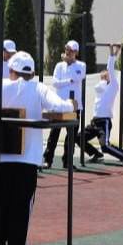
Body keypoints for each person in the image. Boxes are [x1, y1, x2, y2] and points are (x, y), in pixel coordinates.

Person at [0, 51, 73, 245]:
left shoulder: (0, 86)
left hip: (0, 159)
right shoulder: (38, 88)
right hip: (27, 162)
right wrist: (70, 103)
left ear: (12, 71)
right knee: (20, 214)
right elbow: (61, 107)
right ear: (33, 73)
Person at [82, 44, 123, 165]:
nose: (102, 77)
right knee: (79, 138)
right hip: (94, 122)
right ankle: (96, 154)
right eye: (101, 76)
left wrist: (113, 50)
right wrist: (115, 51)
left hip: (104, 121)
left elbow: (110, 66)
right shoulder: (100, 88)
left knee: (105, 146)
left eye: (105, 76)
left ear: (110, 77)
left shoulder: (113, 86)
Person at [43, 40, 86, 169]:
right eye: (67, 49)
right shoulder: (59, 65)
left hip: (74, 106)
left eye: (71, 50)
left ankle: (67, 162)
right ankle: (48, 160)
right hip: (59, 105)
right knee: (54, 133)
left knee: (71, 136)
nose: (68, 52)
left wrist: (68, 77)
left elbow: (78, 78)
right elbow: (55, 83)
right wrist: (69, 81)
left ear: (76, 52)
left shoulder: (81, 65)